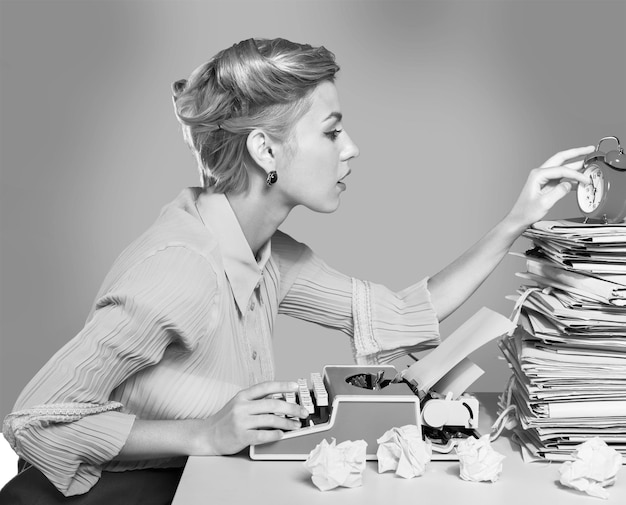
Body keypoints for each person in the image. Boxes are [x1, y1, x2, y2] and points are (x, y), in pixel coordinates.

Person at [0, 38, 593, 504]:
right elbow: (34, 420)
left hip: (203, 486)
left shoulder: (266, 253)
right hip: (119, 494)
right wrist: (205, 434)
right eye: (332, 131)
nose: (352, 148)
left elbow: (399, 314)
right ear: (265, 151)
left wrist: (517, 219)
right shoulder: (182, 269)